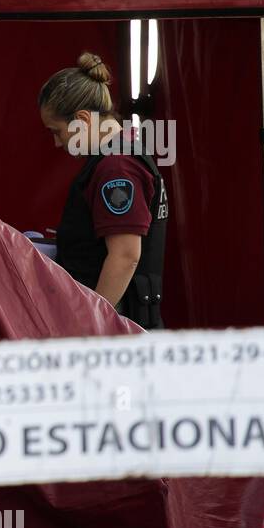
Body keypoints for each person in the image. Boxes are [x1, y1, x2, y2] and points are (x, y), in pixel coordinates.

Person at [39, 52, 168, 329]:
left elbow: (125, 255)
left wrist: (93, 326)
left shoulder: (117, 167)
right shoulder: (118, 157)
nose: (57, 143)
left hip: (117, 334)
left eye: (57, 131)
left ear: (83, 119)